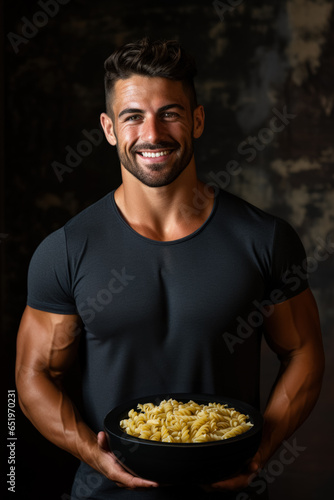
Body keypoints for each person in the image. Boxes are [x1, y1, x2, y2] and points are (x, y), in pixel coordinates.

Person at [16, 38, 325, 499]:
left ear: (197, 120)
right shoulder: (66, 249)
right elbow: (34, 372)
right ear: (108, 129)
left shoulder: (264, 238)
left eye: (171, 113)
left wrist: (261, 448)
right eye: (133, 116)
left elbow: (304, 352)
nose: (153, 133)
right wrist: (93, 454)